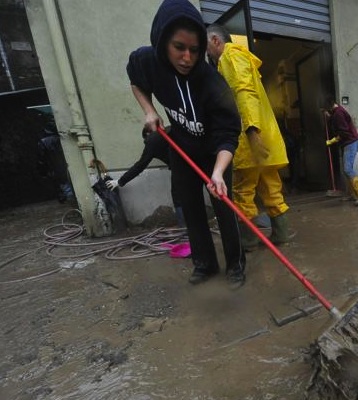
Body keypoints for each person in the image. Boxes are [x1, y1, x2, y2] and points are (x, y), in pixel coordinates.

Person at [126, 0, 246, 286]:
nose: (187, 58)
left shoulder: (212, 83)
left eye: (194, 50)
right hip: (181, 146)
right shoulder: (148, 61)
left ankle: (236, 265)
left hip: (214, 153)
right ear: (163, 42)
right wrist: (150, 110)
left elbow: (229, 134)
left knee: (224, 208)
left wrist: (217, 173)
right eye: (179, 47)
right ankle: (204, 265)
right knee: (190, 207)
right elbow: (135, 80)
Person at [206, 24, 292, 251]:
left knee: (243, 192)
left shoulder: (229, 57)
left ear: (215, 41)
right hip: (267, 140)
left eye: (207, 47)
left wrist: (251, 131)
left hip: (249, 140)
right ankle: (281, 234)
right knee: (271, 189)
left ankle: (248, 241)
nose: (207, 55)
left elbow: (244, 92)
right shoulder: (245, 58)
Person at [105, 126, 185, 227]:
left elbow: (140, 165)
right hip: (197, 160)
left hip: (180, 167)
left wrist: (120, 181)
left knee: (178, 197)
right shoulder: (170, 130)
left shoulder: (152, 141)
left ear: (147, 134)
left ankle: (184, 227)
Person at [323, 96, 358, 206]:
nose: (325, 113)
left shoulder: (338, 114)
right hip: (348, 143)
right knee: (347, 170)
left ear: (329, 107)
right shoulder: (336, 112)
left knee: (347, 169)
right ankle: (352, 194)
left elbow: (344, 133)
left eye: (325, 110)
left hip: (350, 143)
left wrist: (332, 141)